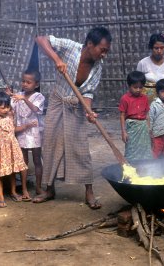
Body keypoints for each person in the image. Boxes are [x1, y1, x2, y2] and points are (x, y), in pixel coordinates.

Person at [33, 27, 112, 209]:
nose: (104, 55)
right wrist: (57, 60)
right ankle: (49, 189)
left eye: (107, 51)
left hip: (75, 106)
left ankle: (89, 192)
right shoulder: (70, 47)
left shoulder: (98, 67)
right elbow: (41, 39)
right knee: (51, 145)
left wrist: (88, 111)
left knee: (80, 147)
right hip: (57, 101)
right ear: (90, 44)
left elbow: (89, 92)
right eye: (103, 50)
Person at [0, 91, 28, 208]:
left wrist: (10, 94)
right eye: (3, 108)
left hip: (12, 146)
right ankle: (1, 196)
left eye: (7, 107)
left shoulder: (10, 115)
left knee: (13, 170)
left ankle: (13, 192)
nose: (6, 110)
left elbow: (13, 128)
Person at [9, 69, 45, 200]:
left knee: (37, 160)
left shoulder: (39, 97)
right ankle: (24, 189)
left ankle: (38, 186)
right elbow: (11, 111)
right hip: (21, 131)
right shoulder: (17, 95)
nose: (24, 84)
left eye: (28, 82)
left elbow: (35, 109)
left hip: (35, 131)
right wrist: (10, 96)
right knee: (23, 161)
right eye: (23, 81)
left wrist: (24, 99)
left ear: (36, 84)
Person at [119, 71, 152, 161]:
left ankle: (145, 167)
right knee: (131, 148)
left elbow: (147, 114)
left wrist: (149, 128)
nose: (138, 90)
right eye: (135, 87)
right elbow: (122, 115)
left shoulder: (145, 98)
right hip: (131, 127)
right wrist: (123, 132)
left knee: (144, 147)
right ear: (129, 86)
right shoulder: (125, 98)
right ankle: (131, 168)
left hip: (143, 127)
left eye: (140, 87)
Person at [137, 33, 164, 104]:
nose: (159, 51)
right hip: (147, 102)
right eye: (156, 48)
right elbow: (137, 84)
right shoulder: (143, 63)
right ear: (151, 48)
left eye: (162, 47)